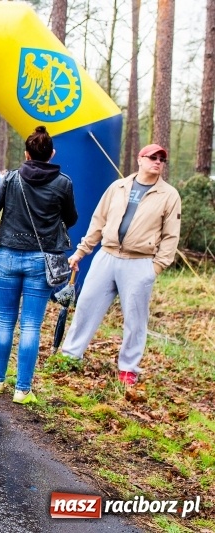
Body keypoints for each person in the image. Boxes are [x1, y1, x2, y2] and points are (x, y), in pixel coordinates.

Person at [60, 143, 181, 386]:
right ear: (140, 159)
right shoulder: (119, 186)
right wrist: (81, 252)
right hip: (107, 255)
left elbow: (171, 237)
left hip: (139, 262)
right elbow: (98, 222)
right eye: (152, 157)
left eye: (161, 159)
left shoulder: (169, 195)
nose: (157, 162)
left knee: (136, 320)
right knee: (86, 306)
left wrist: (155, 268)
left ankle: (128, 369)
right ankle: (71, 355)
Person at [0, 125, 77, 404]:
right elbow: (71, 219)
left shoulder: (10, 179)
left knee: (4, 319)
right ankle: (23, 390)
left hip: (8, 255)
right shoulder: (63, 183)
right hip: (41, 259)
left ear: (26, 153)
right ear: (51, 153)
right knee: (31, 324)